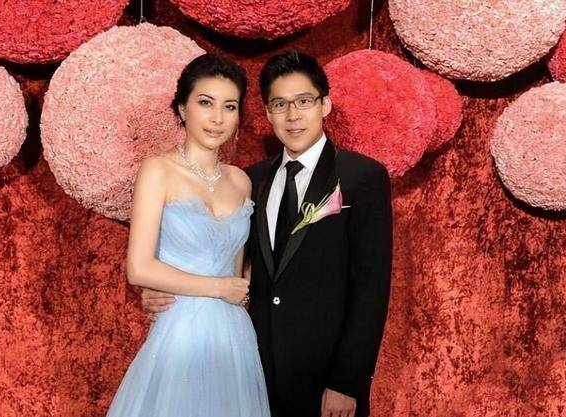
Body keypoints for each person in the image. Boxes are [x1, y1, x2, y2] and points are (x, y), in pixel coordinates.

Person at [144, 51, 392, 417]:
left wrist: (347, 381)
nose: (292, 115)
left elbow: (371, 289)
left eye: (304, 101)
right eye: (280, 104)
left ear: (324, 105)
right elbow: (233, 263)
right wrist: (166, 288)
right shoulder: (252, 180)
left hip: (325, 381)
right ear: (267, 113)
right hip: (252, 371)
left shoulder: (362, 177)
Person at [106, 53, 271, 417]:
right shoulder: (158, 170)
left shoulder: (241, 181)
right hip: (180, 332)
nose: (217, 118)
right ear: (183, 108)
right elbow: (139, 268)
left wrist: (237, 288)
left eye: (229, 106)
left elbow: (237, 270)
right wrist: (220, 288)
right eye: (206, 103)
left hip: (234, 337)